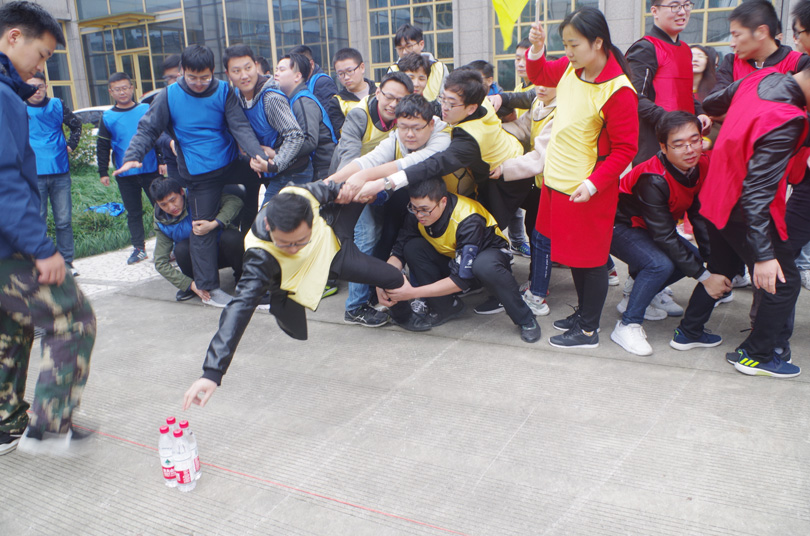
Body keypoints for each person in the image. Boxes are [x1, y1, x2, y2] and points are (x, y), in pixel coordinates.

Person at [181, 182, 426, 410]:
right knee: (392, 277)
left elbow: (336, 187)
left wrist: (363, 190)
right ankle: (405, 315)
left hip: (333, 230)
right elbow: (238, 309)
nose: (294, 249)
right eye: (285, 244)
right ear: (268, 226)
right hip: (332, 262)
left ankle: (403, 313)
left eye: (300, 241)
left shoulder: (301, 195)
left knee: (364, 185)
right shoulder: (259, 255)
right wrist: (212, 372)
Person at [0, 0, 96, 456]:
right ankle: (50, 427)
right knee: (72, 317)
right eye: (41, 55)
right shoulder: (1, 95)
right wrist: (41, 248)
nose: (41, 67)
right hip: (7, 245)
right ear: (13, 36)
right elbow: (4, 182)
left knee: (11, 326)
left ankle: (6, 423)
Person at [115, 44, 268, 308]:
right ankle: (210, 288)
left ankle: (250, 269)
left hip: (230, 161)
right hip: (200, 174)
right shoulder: (169, 96)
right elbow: (148, 129)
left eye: (205, 77)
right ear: (182, 72)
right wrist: (133, 155)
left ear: (213, 72)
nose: (199, 83)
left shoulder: (223, 90)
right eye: (192, 77)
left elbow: (239, 125)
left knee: (264, 179)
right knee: (201, 227)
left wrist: (257, 155)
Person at [526, 7, 639, 348]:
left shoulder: (618, 90)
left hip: (587, 189)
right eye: (565, 44)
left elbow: (626, 149)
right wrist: (537, 48)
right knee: (573, 256)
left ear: (598, 42)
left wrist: (592, 185)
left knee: (591, 261)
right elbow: (539, 73)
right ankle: (583, 315)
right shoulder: (570, 68)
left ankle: (589, 330)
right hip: (558, 182)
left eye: (574, 44)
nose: (568, 52)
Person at [697, 62, 810, 378]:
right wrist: (763, 256)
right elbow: (757, 190)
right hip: (742, 208)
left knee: (724, 269)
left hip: (716, 196)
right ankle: (757, 356)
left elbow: (712, 103)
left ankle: (695, 333)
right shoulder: (788, 118)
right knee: (783, 282)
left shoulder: (760, 77)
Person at [610, 111, 732, 355]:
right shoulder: (653, 178)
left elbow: (699, 215)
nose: (690, 150)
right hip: (617, 225)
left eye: (695, 140)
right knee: (660, 265)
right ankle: (628, 324)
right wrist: (706, 278)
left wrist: (712, 263)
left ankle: (638, 296)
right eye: (679, 144)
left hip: (649, 227)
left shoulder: (701, 164)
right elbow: (664, 236)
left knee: (693, 258)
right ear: (664, 148)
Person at [380, 177, 542, 342]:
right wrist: (384, 278)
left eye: (424, 210)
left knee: (484, 265)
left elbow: (461, 279)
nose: (419, 215)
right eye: (414, 208)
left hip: (489, 260)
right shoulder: (417, 212)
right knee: (412, 247)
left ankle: (526, 318)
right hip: (456, 259)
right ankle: (446, 307)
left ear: (443, 201)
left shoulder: (468, 219)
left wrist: (413, 293)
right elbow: (399, 249)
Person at [329, 71, 413, 328]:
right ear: (377, 92)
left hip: (382, 184)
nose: (393, 104)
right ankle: (355, 307)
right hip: (351, 184)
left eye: (400, 100)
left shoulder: (406, 120)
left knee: (385, 233)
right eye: (389, 97)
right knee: (366, 235)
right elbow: (349, 156)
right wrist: (350, 187)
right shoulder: (359, 115)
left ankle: (374, 291)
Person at [328, 94, 451, 267]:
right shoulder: (396, 137)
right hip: (410, 198)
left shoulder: (443, 138)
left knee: (420, 249)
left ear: (430, 124)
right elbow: (370, 159)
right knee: (389, 235)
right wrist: (328, 183)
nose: (409, 134)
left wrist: (364, 179)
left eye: (416, 128)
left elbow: (408, 164)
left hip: (446, 204)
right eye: (403, 127)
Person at [489, 84, 557, 318]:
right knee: (538, 231)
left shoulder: (563, 110)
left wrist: (504, 168)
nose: (540, 87)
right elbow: (522, 128)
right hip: (541, 184)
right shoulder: (540, 103)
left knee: (541, 237)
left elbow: (539, 158)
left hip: (557, 184)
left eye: (548, 82)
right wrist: (486, 132)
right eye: (538, 80)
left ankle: (538, 294)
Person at [625, 0, 711, 166]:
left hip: (684, 143)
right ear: (654, 11)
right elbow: (633, 97)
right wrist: (669, 120)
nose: (682, 11)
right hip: (655, 146)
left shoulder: (685, 49)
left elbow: (685, 93)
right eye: (674, 6)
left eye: (686, 5)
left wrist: (700, 112)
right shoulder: (645, 48)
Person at [223, 45, 308, 202]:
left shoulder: (271, 98)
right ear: (228, 74)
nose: (244, 75)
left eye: (248, 68)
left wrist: (274, 164)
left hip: (292, 172)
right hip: (267, 170)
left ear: (256, 66)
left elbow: (295, 136)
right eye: (236, 71)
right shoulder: (235, 97)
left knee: (269, 215)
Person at [97, 72, 161, 265]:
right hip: (125, 173)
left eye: (125, 88)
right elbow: (103, 146)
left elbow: (158, 135)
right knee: (133, 212)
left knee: (162, 207)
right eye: (117, 89)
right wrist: (103, 172)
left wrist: (163, 160)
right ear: (111, 92)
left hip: (151, 168)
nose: (122, 92)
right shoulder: (108, 117)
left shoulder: (146, 109)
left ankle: (169, 244)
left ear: (132, 88)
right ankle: (139, 248)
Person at [150, 177, 244, 303]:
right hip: (197, 262)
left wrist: (215, 223)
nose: (171, 207)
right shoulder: (162, 222)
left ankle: (242, 276)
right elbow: (160, 262)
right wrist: (188, 284)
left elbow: (235, 201)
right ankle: (197, 285)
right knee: (181, 249)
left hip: (222, 251)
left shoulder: (197, 196)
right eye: (163, 205)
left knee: (232, 237)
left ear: (181, 192)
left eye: (173, 200)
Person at [25, 71, 81, 276]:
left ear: (46, 86)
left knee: (64, 221)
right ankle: (40, 262)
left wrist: (71, 145)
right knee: (37, 221)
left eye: (40, 86)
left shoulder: (57, 105)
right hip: (33, 173)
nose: (36, 91)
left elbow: (76, 125)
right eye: (31, 87)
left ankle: (67, 262)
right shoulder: (19, 107)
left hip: (59, 171)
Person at [251, 53, 336, 185]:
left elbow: (309, 141)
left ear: (297, 76)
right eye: (276, 69)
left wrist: (276, 153)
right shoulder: (291, 99)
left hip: (321, 170)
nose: (276, 74)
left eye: (282, 70)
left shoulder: (303, 101)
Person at [713, 0, 810, 94]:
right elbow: (714, 100)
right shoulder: (731, 62)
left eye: (737, 35)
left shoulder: (800, 62)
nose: (732, 44)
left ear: (761, 32)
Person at [288, 45, 343, 134]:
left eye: (298, 65)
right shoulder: (301, 83)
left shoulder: (322, 82)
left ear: (311, 64)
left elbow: (330, 117)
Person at [388, 23, 449, 102]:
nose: (404, 52)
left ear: (421, 44)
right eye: (400, 48)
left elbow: (446, 99)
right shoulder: (393, 70)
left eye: (409, 46)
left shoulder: (439, 68)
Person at [332, 47, 376, 134]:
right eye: (341, 74)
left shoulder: (381, 91)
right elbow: (342, 135)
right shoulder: (337, 102)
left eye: (349, 71)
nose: (346, 77)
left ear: (362, 67)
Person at [397, 52, 441, 117]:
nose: (416, 84)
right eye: (411, 78)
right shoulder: (392, 106)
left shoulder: (433, 110)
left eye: (421, 79)